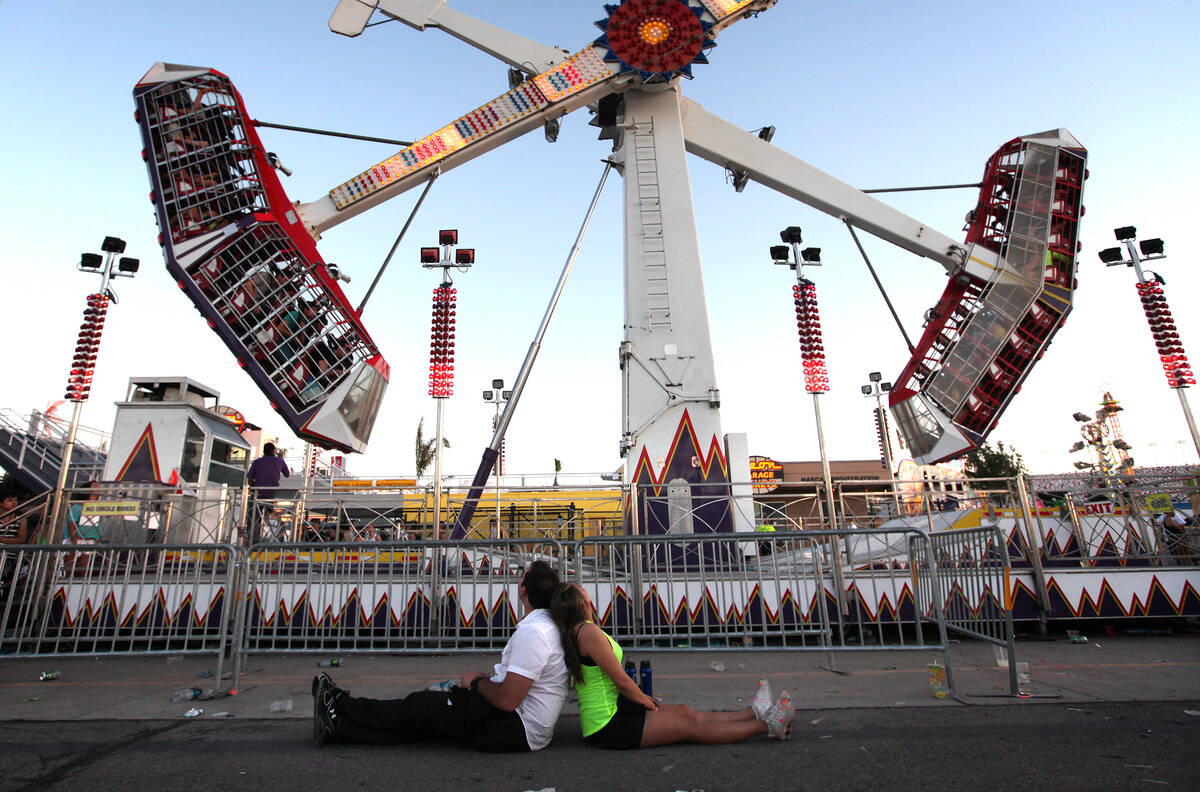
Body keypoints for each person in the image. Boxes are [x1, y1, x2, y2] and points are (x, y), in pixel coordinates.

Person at [312, 560, 568, 752]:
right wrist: (487, 680)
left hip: (513, 727)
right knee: (425, 721)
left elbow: (508, 700)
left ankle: (339, 705)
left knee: (420, 706)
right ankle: (340, 727)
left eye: (521, 578)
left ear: (523, 590)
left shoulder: (534, 633)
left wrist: (476, 683)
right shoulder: (543, 626)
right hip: (519, 725)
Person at [549, 583, 795, 749]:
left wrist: (641, 700)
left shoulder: (579, 631)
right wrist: (645, 700)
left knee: (687, 712)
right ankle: (767, 725)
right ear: (582, 603)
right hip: (609, 724)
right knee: (690, 727)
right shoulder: (588, 632)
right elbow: (620, 680)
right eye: (583, 592)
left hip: (618, 709)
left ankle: (753, 712)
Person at [247, 443, 290, 544]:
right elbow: (287, 474)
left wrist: (253, 487)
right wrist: (280, 459)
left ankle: (252, 539)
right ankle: (275, 539)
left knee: (253, 517)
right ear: (273, 451)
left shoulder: (257, 462)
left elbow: (250, 479)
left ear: (264, 451)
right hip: (271, 493)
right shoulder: (279, 461)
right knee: (270, 516)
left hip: (258, 492)